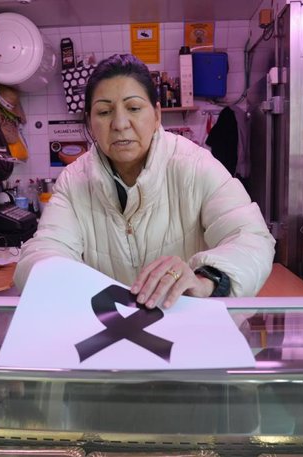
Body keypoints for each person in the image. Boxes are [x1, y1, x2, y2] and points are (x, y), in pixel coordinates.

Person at [14, 53, 275, 308]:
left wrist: (207, 279)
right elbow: (44, 250)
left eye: (134, 108)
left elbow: (251, 238)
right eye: (104, 112)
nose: (119, 123)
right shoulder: (74, 182)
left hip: (186, 327)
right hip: (109, 332)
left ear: (157, 114)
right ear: (90, 122)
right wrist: (64, 281)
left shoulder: (195, 167)